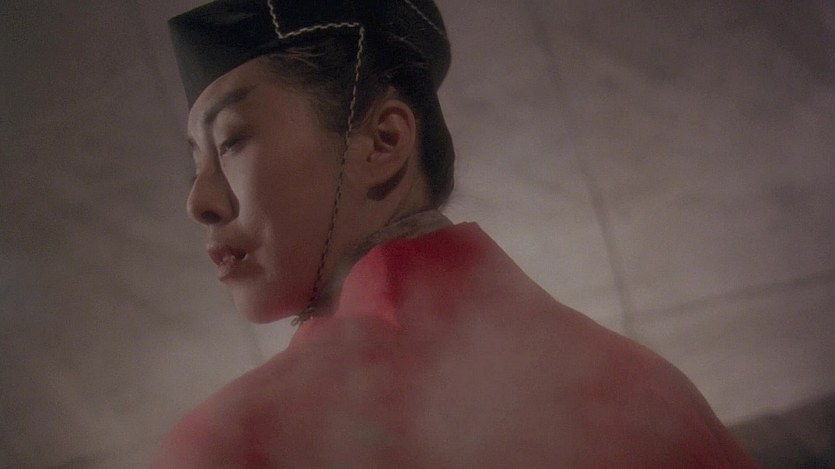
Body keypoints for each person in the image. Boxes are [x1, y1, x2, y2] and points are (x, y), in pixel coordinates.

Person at [154, 0, 758, 467]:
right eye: (195, 164)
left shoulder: (241, 442)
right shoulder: (653, 390)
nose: (199, 202)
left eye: (230, 141)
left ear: (384, 141)